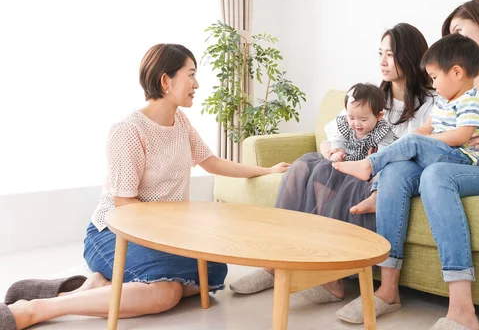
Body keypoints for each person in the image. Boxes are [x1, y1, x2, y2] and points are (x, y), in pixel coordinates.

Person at [1, 44, 290, 330]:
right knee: (166, 293)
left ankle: (99, 284)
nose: (196, 84)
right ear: (166, 80)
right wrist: (180, 227)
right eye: (190, 75)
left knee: (213, 273)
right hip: (114, 230)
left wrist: (266, 170)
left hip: (162, 232)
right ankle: (36, 309)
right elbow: (125, 203)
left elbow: (212, 162)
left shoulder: (181, 123)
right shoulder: (128, 130)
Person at [336, 0, 479, 329]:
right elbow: (433, 127)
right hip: (460, 161)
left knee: (437, 175)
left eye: (459, 30)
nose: (453, 39)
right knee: (397, 171)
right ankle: (387, 290)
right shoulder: (455, 84)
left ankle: (462, 310)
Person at [228, 23, 435, 305]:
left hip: (381, 174)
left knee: (343, 180)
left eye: (390, 55)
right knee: (305, 166)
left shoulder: (431, 103)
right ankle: (274, 264)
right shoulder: (372, 95)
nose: (382, 62)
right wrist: (330, 151)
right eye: (380, 54)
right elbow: (336, 131)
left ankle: (333, 280)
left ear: (410, 57)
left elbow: (418, 150)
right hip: (350, 162)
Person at [333, 34, 479, 191]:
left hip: (464, 157)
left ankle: (368, 165)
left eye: (435, 78)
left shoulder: (471, 100)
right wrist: (419, 136)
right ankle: (375, 191)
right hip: (446, 152)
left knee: (412, 143)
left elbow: (460, 136)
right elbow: (425, 128)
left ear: (457, 73)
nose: (434, 84)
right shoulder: (443, 101)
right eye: (380, 53)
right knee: (402, 158)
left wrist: (425, 139)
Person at [322, 82, 395, 163]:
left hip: (363, 166)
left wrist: (373, 158)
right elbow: (338, 140)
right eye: (351, 118)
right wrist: (337, 153)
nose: (356, 123)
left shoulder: (381, 130)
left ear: (379, 116)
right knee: (323, 154)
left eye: (363, 119)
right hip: (345, 161)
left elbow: (385, 151)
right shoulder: (345, 124)